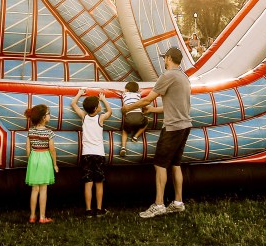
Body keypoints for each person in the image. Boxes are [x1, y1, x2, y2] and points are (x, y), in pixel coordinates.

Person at [123, 46, 192, 218]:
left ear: (168, 58)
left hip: (173, 127)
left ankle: (159, 204)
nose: (164, 61)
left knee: (160, 165)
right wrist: (152, 111)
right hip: (185, 126)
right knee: (175, 165)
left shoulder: (167, 76)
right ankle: (178, 202)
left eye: (165, 58)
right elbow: (174, 105)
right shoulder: (184, 78)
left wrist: (129, 107)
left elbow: (147, 98)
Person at [70, 88, 111, 217]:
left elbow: (73, 104)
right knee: (99, 183)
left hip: (86, 154)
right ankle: (99, 209)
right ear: (96, 108)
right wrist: (104, 99)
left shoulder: (84, 117)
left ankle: (88, 210)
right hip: (99, 154)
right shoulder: (101, 118)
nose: (100, 106)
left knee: (88, 183)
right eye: (99, 105)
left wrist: (79, 94)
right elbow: (110, 111)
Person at [24, 103, 58, 224]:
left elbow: (27, 148)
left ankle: (32, 216)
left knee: (34, 190)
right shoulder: (49, 132)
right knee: (43, 189)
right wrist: (55, 164)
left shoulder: (30, 131)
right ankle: (42, 217)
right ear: (44, 117)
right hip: (44, 158)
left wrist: (30, 160)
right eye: (48, 114)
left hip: (34, 157)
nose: (50, 116)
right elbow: (52, 150)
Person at [119, 81, 150, 155]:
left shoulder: (125, 94)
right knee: (147, 121)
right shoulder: (138, 95)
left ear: (126, 90)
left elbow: (122, 93)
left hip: (129, 116)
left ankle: (123, 147)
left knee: (124, 130)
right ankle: (136, 136)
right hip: (139, 116)